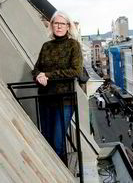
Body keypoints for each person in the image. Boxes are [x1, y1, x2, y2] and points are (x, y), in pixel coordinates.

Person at [32, 10, 83, 163]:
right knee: (46, 141)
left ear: (68, 26)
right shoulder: (46, 46)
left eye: (62, 23)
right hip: (45, 99)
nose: (59, 26)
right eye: (56, 23)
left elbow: (75, 71)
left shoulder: (73, 45)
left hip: (64, 101)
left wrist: (48, 75)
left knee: (57, 142)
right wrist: (38, 75)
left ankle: (62, 175)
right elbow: (36, 68)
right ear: (51, 25)